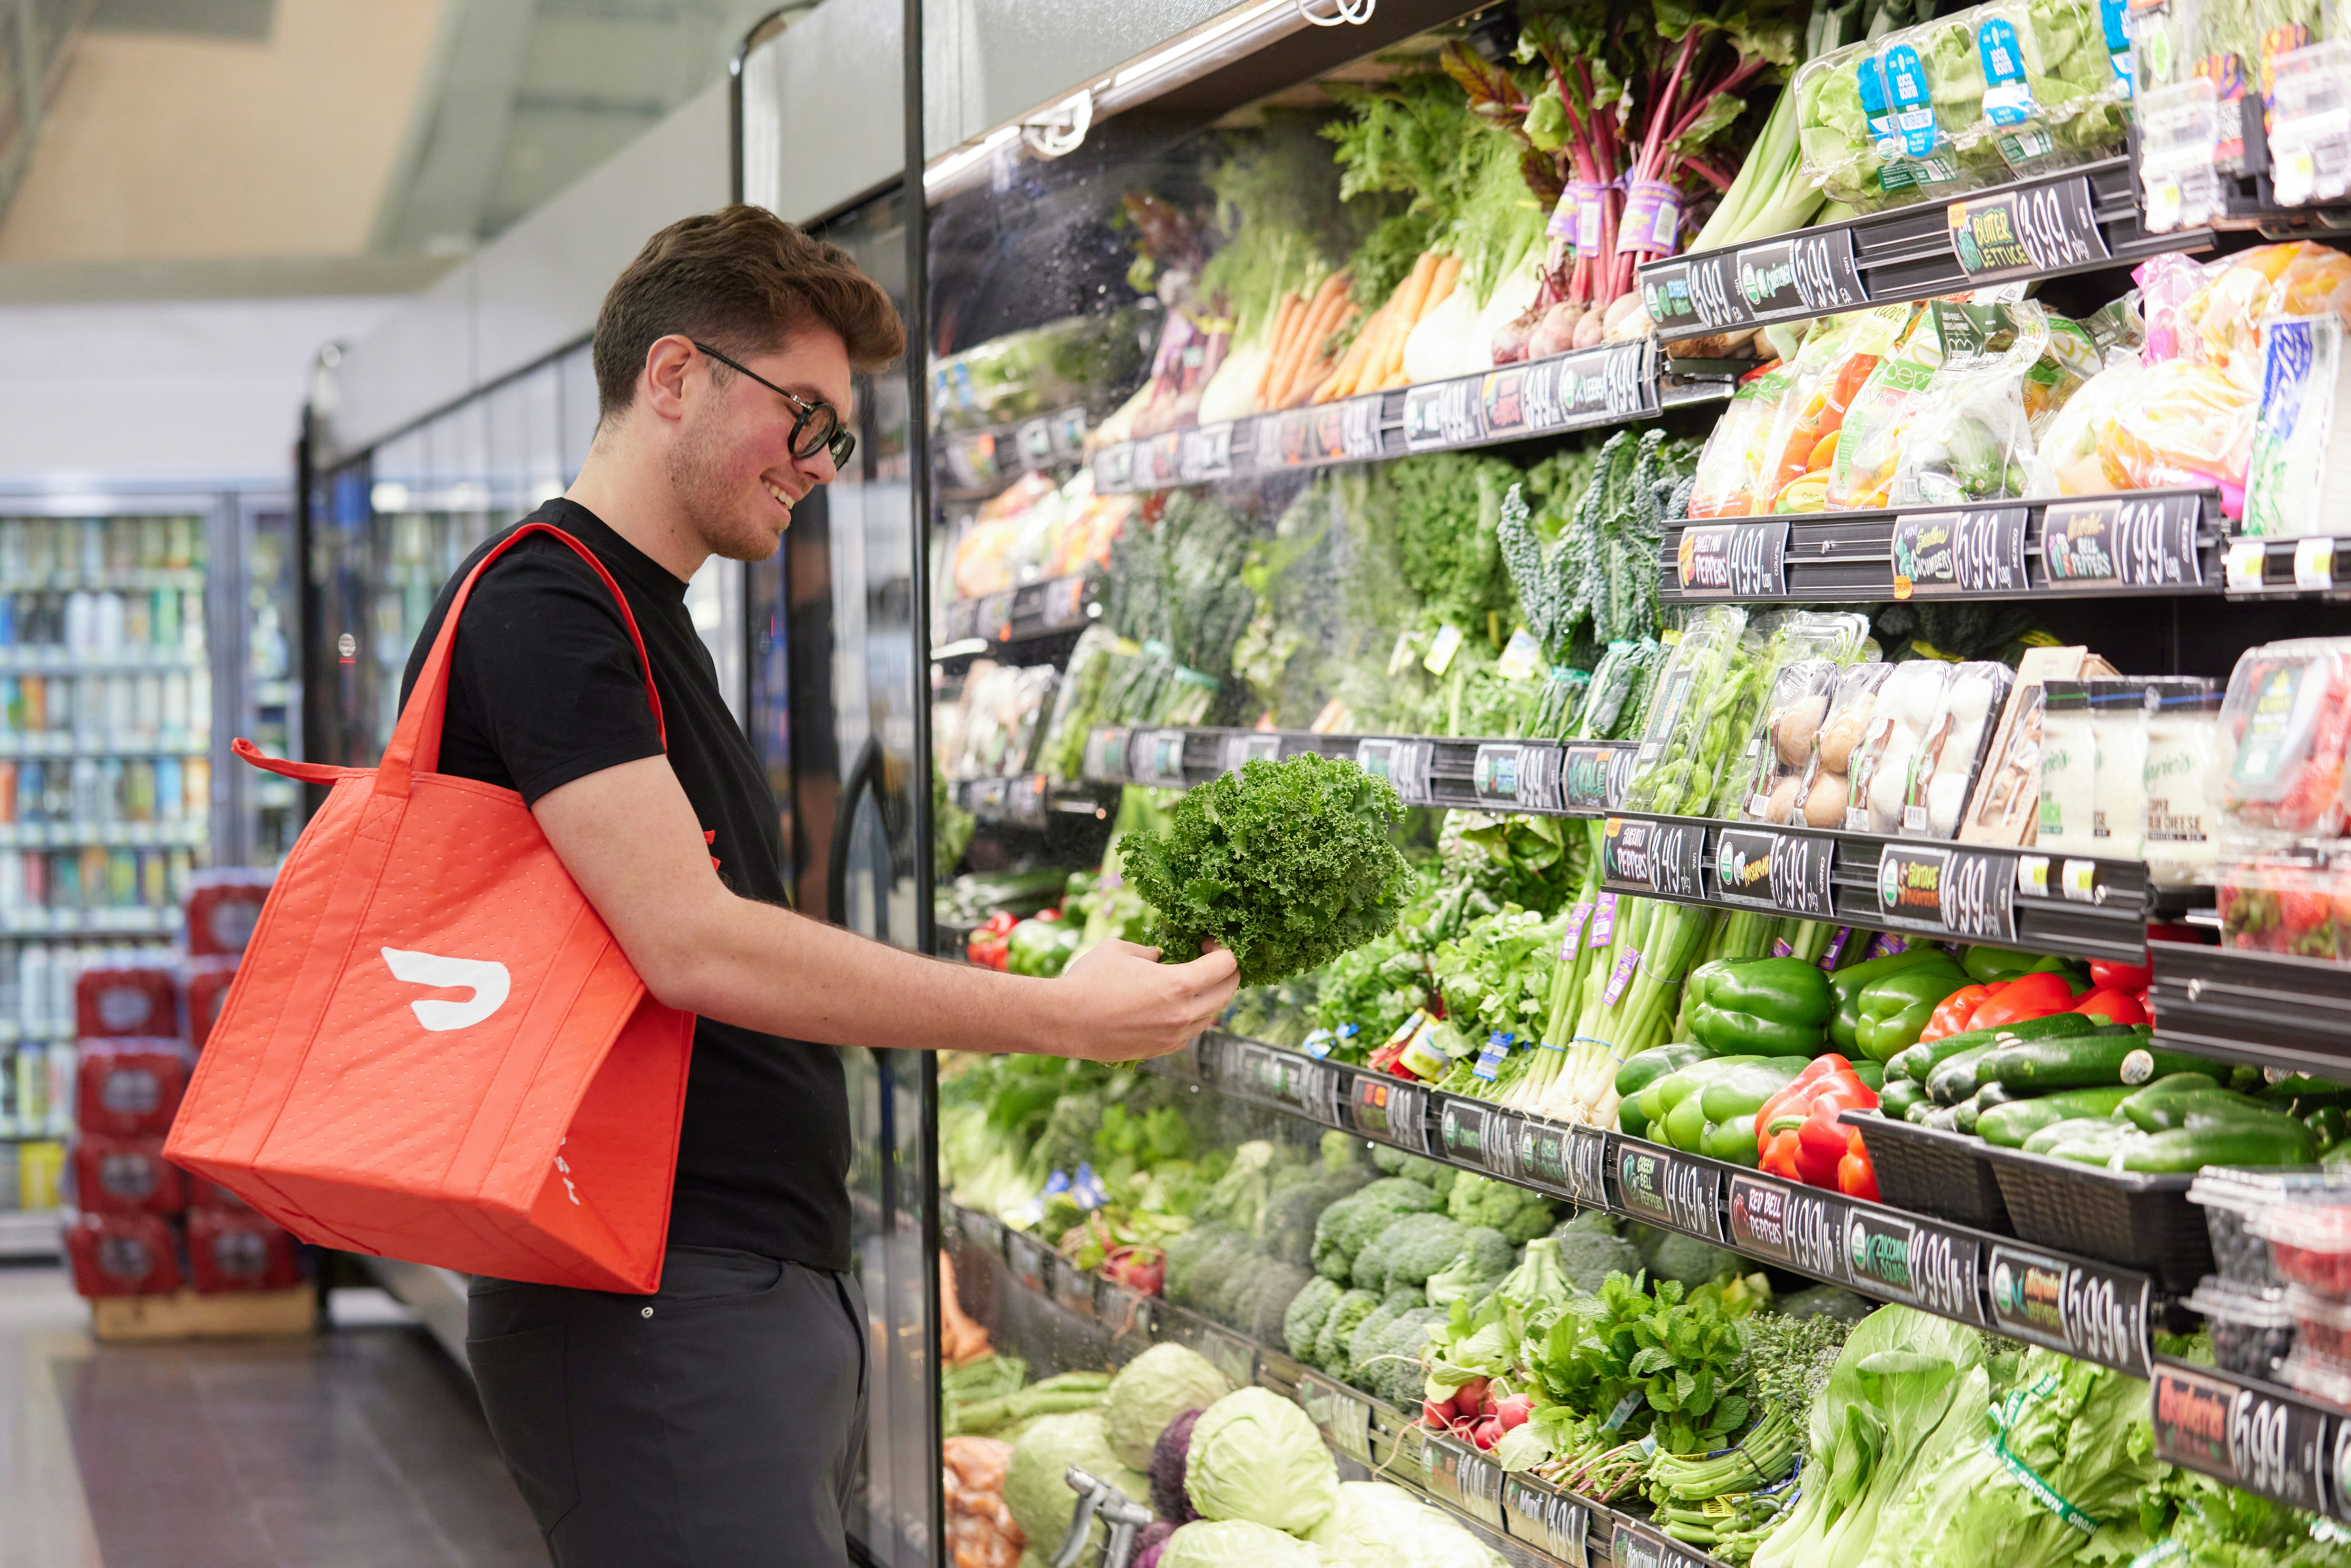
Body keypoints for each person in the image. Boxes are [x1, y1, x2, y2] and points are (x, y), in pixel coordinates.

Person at [400, 205, 1238, 1568]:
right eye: (802, 416)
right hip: (650, 1297)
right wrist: (1054, 1013)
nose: (819, 466)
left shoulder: (639, 613)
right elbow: (697, 947)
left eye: (835, 435)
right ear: (671, 376)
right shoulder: (544, 609)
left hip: (710, 1294)